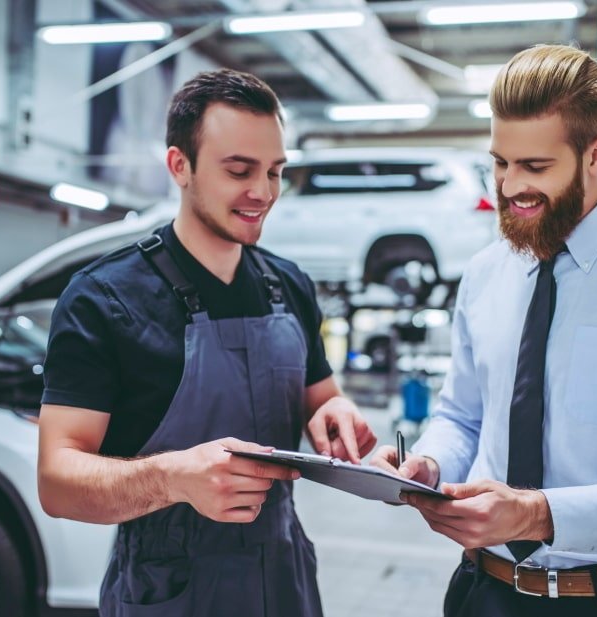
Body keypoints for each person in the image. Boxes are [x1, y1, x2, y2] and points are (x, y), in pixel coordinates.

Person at [372, 44, 597, 617]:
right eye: (500, 162)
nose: (509, 186)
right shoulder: (485, 272)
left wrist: (539, 513)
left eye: (535, 167)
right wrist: (430, 463)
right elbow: (463, 416)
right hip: (481, 593)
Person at [37, 68, 376, 617]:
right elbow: (58, 481)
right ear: (180, 166)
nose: (263, 192)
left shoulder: (289, 285)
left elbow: (322, 396)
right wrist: (171, 478)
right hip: (166, 591)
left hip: (284, 579)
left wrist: (336, 411)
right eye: (239, 170)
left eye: (274, 171)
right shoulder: (104, 299)